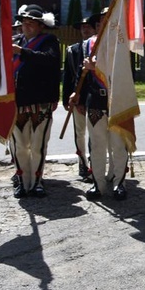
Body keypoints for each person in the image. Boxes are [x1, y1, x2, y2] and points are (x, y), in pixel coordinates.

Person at [75, 7, 130, 201]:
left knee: (117, 145)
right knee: (97, 144)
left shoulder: (121, 45)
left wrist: (95, 66)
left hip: (117, 100)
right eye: (102, 20)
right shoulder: (89, 45)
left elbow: (117, 70)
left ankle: (119, 183)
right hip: (96, 100)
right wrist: (78, 96)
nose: (106, 24)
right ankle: (98, 184)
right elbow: (81, 75)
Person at [10, 4, 61, 198]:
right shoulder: (15, 41)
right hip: (18, 101)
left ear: (41, 26)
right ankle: (23, 181)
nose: (27, 26)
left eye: (32, 23)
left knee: (38, 144)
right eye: (24, 23)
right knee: (20, 145)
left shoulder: (49, 42)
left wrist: (22, 52)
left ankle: (37, 181)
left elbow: (49, 61)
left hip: (41, 101)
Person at [62, 15, 98, 182]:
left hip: (93, 99)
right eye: (82, 27)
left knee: (94, 134)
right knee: (80, 133)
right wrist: (67, 100)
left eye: (88, 26)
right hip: (76, 101)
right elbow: (68, 77)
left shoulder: (98, 49)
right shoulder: (73, 50)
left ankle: (94, 165)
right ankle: (82, 164)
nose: (85, 29)